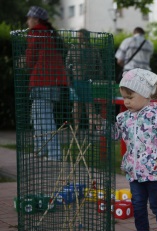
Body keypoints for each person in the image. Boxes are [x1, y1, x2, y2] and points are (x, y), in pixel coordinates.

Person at [113, 68, 157, 231]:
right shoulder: (123, 118)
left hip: (155, 170)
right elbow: (116, 135)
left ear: (144, 94)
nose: (126, 101)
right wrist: (101, 127)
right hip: (134, 170)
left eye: (130, 97)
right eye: (124, 97)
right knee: (138, 202)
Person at [25, 6, 68, 161]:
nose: (27, 21)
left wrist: (23, 63)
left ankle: (54, 154)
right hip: (54, 81)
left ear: (36, 19)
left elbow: (30, 58)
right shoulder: (51, 34)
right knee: (39, 117)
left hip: (40, 80)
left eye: (29, 18)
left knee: (43, 118)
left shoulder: (36, 32)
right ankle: (40, 150)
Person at [66, 29, 103, 131]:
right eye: (78, 37)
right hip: (76, 82)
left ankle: (91, 130)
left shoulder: (93, 50)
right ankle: (76, 129)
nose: (79, 39)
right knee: (76, 106)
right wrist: (69, 80)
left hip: (89, 82)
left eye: (81, 37)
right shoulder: (73, 49)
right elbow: (67, 66)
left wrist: (97, 80)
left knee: (90, 106)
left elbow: (99, 66)